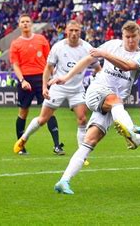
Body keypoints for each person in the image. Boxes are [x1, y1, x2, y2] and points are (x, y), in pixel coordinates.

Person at [50, 21, 140, 194]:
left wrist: (105, 54)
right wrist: (66, 77)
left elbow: (127, 66)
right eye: (127, 37)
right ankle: (131, 129)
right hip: (97, 91)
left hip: (113, 107)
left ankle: (63, 181)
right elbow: (89, 58)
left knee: (89, 141)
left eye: (134, 37)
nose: (131, 40)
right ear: (122, 36)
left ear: (139, 36)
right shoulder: (112, 45)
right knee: (116, 100)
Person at [13, 20, 101, 156]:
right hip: (58, 88)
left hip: (77, 89)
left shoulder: (87, 48)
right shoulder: (58, 47)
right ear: (66, 31)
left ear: (80, 31)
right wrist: (44, 87)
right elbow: (48, 68)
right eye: (71, 30)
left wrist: (96, 80)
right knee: (43, 119)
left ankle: (81, 155)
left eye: (76, 30)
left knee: (82, 119)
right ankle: (24, 138)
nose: (73, 33)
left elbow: (97, 68)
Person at [9, 14, 62, 155]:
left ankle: (57, 146)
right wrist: (22, 80)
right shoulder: (15, 43)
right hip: (25, 80)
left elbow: (49, 60)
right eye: (22, 22)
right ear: (19, 25)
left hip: (42, 79)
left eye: (27, 21)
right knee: (23, 112)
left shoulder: (41, 40)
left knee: (49, 111)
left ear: (31, 24)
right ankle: (21, 146)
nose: (25, 24)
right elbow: (15, 65)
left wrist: (52, 76)